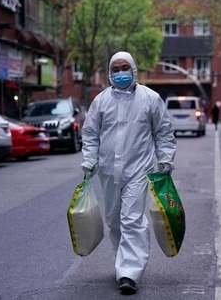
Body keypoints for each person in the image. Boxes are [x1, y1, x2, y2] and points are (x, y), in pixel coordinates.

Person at [80, 51, 177, 295]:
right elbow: (91, 133)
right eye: (116, 69)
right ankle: (122, 263)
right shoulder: (101, 101)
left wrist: (165, 159)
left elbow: (163, 132)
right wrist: (89, 161)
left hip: (139, 169)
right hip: (108, 169)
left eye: (125, 67)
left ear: (133, 69)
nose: (121, 73)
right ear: (110, 73)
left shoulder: (150, 99)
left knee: (131, 219)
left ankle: (129, 274)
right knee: (114, 221)